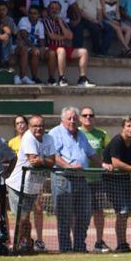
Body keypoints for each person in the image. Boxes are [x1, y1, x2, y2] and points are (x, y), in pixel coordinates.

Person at [48, 106, 98, 253]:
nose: (72, 121)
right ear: (62, 120)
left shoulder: (81, 134)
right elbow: (54, 156)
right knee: (64, 215)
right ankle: (65, 248)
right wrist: (68, 166)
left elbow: (91, 153)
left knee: (84, 214)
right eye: (69, 118)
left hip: (81, 178)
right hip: (63, 178)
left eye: (75, 119)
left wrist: (104, 164)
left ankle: (80, 246)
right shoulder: (55, 133)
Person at [5, 115, 53, 251]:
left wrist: (42, 161)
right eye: (35, 126)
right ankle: (15, 247)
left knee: (26, 219)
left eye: (41, 126)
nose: (38, 128)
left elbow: (51, 161)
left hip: (33, 186)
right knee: (22, 218)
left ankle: (26, 243)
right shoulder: (28, 137)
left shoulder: (49, 138)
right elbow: (33, 160)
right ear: (29, 127)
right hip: (17, 185)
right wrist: (46, 161)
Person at [102, 115, 131, 252]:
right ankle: (121, 244)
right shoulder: (117, 141)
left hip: (125, 179)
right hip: (112, 180)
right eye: (128, 126)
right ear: (123, 127)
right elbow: (116, 163)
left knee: (125, 213)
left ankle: (123, 244)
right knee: (122, 211)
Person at [79, 106, 111, 252]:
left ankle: (99, 241)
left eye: (91, 115)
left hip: (97, 179)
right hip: (81, 179)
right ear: (80, 118)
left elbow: (108, 152)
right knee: (80, 212)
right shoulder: (77, 133)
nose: (88, 118)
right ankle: (79, 241)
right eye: (85, 115)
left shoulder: (101, 134)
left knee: (98, 211)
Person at [41, 1, 95, 87]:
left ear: (60, 10)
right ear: (48, 10)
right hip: (51, 47)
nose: (54, 10)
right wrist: (64, 36)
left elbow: (70, 36)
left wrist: (61, 24)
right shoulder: (46, 21)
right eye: (52, 8)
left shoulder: (62, 21)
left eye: (56, 8)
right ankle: (61, 78)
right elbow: (52, 36)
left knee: (83, 51)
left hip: (62, 47)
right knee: (61, 50)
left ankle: (82, 79)